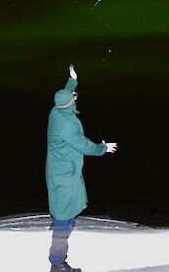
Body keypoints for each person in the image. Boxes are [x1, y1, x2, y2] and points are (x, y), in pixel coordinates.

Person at [45, 64, 118, 272]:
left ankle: (59, 257)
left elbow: (66, 93)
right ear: (70, 103)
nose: (75, 97)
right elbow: (83, 145)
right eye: (74, 96)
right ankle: (57, 264)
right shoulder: (67, 124)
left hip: (63, 169)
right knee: (63, 221)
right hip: (64, 175)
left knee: (67, 215)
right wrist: (103, 148)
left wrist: (73, 79)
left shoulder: (56, 110)